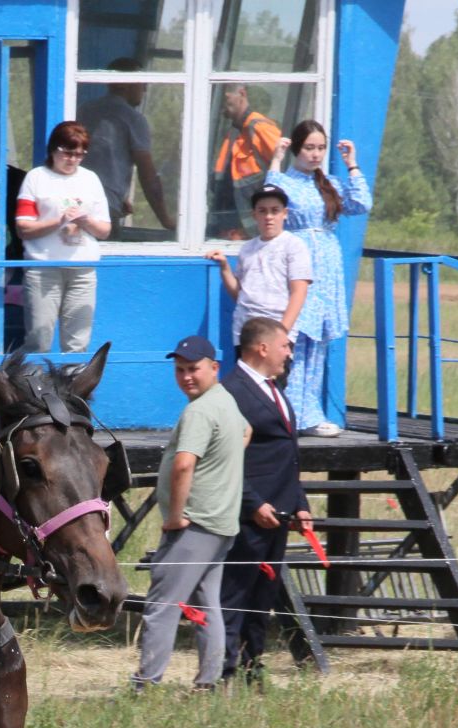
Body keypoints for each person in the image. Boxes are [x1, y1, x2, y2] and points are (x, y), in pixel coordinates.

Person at [132, 335, 248, 692]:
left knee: (162, 605)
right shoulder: (224, 399)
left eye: (194, 369)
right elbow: (246, 431)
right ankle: (209, 684)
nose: (186, 377)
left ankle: (145, 686)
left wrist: (175, 517)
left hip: (194, 523)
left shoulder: (199, 411)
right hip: (222, 522)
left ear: (214, 368)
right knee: (206, 604)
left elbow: (183, 465)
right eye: (180, 370)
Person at [218, 317, 314, 686]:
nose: (289, 353)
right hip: (249, 517)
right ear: (262, 348)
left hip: (280, 515)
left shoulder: (273, 389)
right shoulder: (233, 391)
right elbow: (227, 460)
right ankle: (224, 672)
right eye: (285, 345)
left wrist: (300, 502)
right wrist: (253, 504)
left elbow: (285, 454)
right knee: (235, 594)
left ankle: (251, 668)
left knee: (263, 594)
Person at [264, 121, 373, 437]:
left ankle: (309, 412)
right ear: (298, 148)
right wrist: (275, 159)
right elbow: (270, 195)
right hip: (300, 262)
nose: (315, 154)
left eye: (320, 148)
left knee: (319, 342)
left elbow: (361, 203)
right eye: (309, 148)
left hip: (328, 265)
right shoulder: (288, 182)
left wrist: (352, 164)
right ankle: (289, 412)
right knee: (297, 338)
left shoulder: (331, 184)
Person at [14, 120, 111, 353]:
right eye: (67, 153)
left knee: (78, 344)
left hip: (82, 269)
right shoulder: (37, 178)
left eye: (80, 154)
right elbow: (23, 228)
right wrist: (59, 221)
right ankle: (33, 389)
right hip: (43, 268)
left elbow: (105, 230)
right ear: (53, 149)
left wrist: (85, 220)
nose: (73, 160)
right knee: (39, 340)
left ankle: (72, 389)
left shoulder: (90, 179)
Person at [205, 184, 311, 358]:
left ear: (285, 214)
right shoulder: (247, 249)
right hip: (244, 333)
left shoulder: (294, 246)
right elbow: (239, 294)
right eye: (262, 211)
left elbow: (299, 292)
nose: (268, 217)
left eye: (274, 210)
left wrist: (281, 333)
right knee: (246, 384)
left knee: (272, 384)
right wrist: (224, 267)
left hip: (276, 329)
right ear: (254, 215)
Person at [78, 59, 175, 238]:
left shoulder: (84, 111)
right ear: (124, 83)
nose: (145, 89)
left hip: (74, 205)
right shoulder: (133, 119)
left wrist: (118, 197)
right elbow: (148, 176)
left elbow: (96, 157)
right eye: (141, 82)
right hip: (102, 211)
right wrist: (166, 220)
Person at [206, 85, 282, 239]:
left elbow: (285, 169)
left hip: (251, 232)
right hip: (228, 226)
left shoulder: (258, 127)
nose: (220, 102)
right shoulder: (233, 132)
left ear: (241, 93)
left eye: (225, 96)